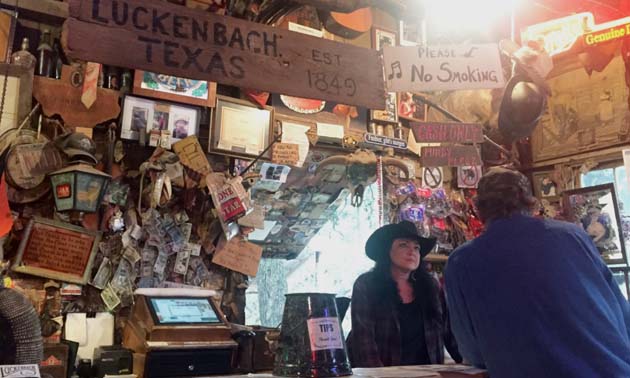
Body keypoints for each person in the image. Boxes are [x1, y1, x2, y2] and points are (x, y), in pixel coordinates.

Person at [445, 167, 630, 378]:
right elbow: (621, 311)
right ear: (530, 202)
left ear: (477, 208)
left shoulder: (462, 262)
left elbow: (472, 350)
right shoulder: (573, 236)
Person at [347, 221, 461, 367]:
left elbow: (450, 333)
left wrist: (470, 363)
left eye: (416, 247)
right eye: (403, 245)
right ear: (387, 251)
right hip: (385, 374)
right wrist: (378, 376)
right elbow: (363, 339)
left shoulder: (432, 286)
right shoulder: (367, 285)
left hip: (428, 372)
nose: (412, 251)